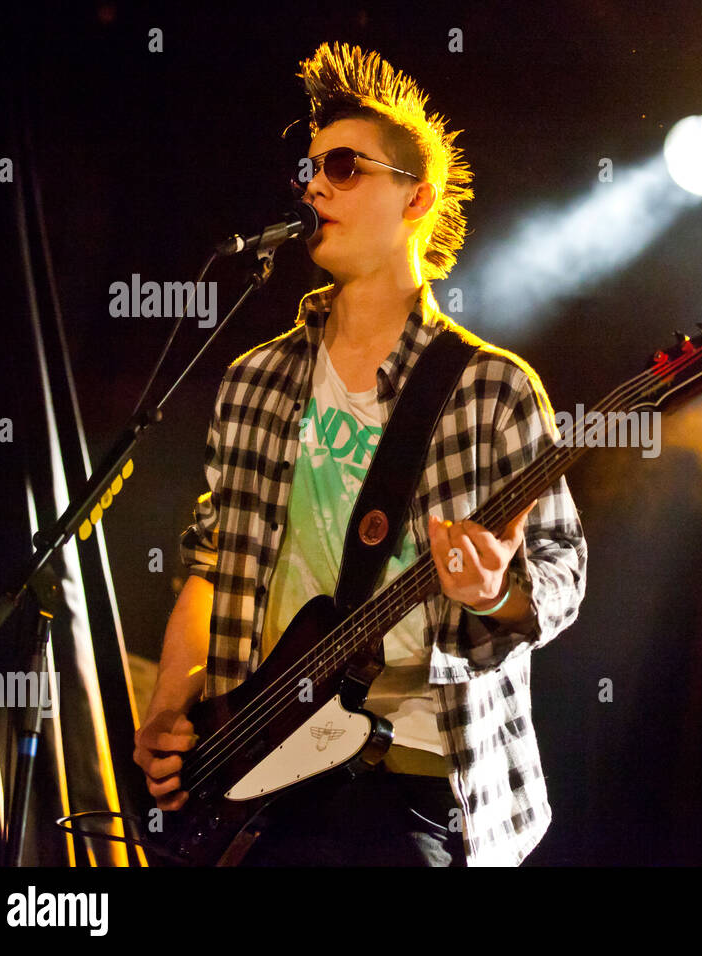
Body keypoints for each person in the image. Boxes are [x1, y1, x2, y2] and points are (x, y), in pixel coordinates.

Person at [132, 41, 587, 867]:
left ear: (416, 198)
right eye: (308, 169)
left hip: (412, 777)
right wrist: (170, 709)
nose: (313, 186)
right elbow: (210, 561)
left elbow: (561, 572)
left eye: (344, 168)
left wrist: (491, 593)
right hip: (254, 776)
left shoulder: (488, 387)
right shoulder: (256, 378)